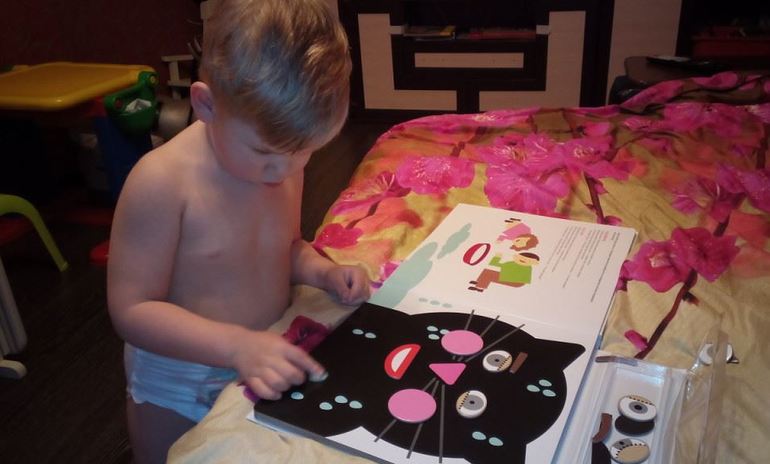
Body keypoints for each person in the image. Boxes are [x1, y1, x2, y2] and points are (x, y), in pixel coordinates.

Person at [106, 0, 369, 462]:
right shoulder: (162, 181)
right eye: (265, 152)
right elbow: (132, 310)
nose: (285, 170)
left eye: (307, 151)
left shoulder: (282, 160)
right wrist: (236, 346)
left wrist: (322, 272)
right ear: (206, 104)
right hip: (180, 380)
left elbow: (284, 248)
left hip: (262, 357)